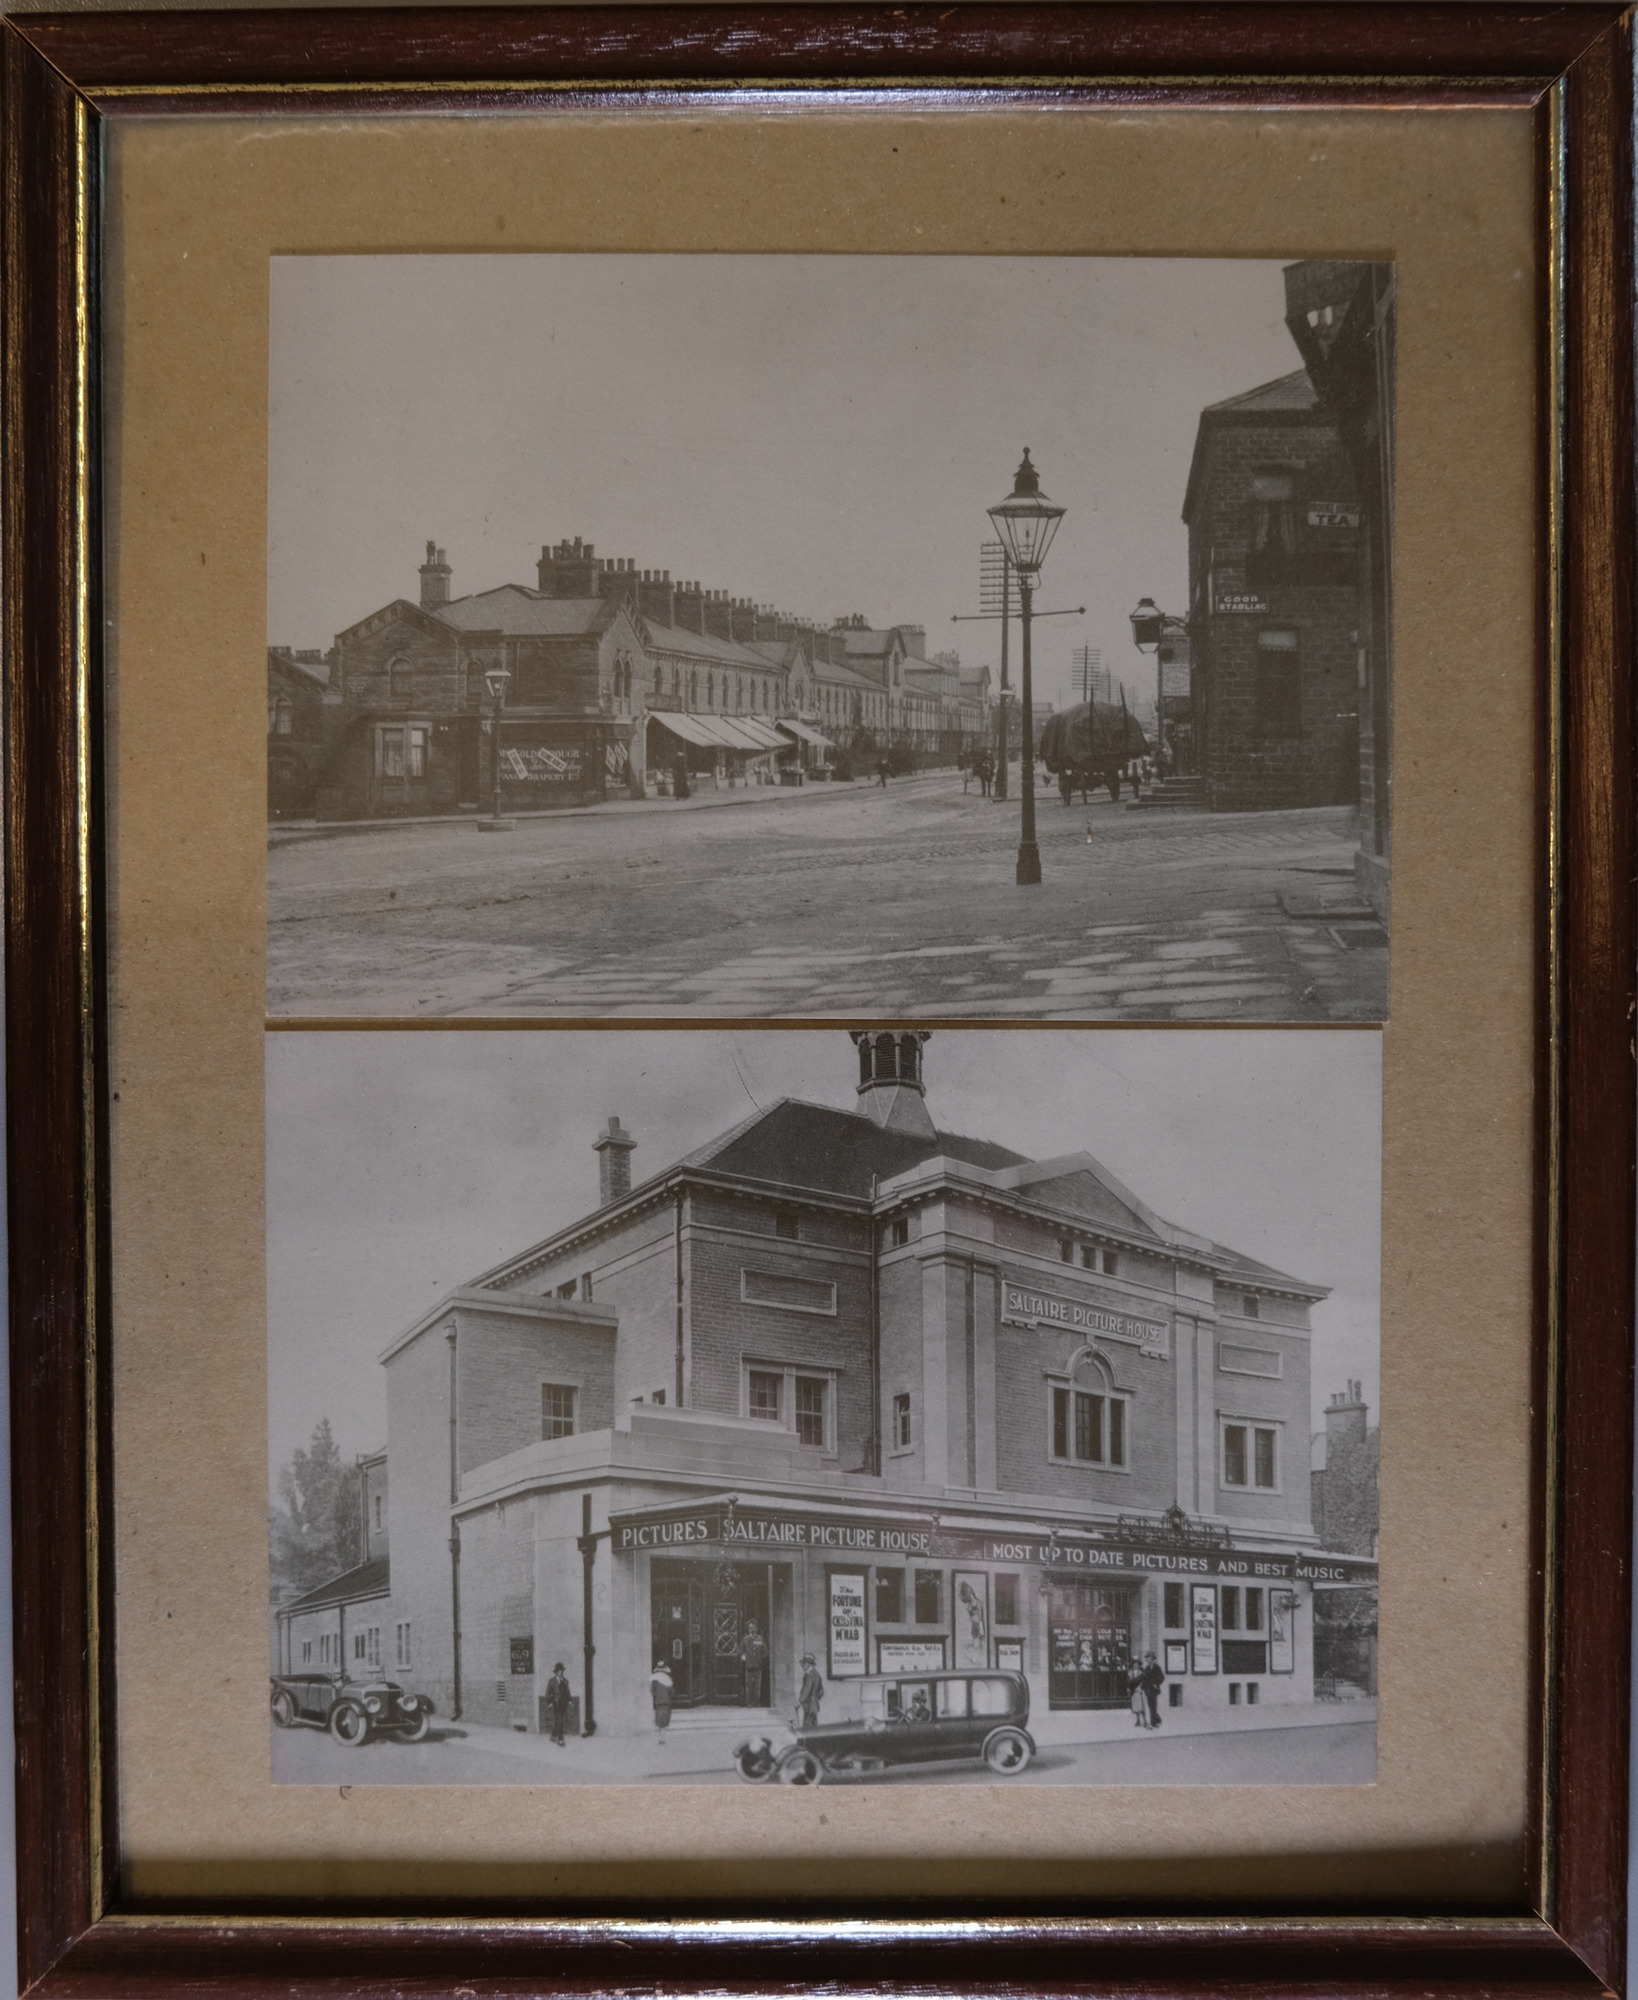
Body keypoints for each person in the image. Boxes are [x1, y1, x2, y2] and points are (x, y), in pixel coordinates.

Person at [543, 1660, 573, 1745]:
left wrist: (570, 1700)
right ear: (556, 1672)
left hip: (564, 1704)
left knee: (559, 1721)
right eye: (559, 1671)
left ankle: (553, 1735)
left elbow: (567, 1692)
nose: (561, 1672)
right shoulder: (552, 1681)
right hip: (556, 1704)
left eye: (562, 1671)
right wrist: (549, 1702)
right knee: (560, 1720)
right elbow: (548, 1692)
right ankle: (560, 1739)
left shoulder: (565, 1681)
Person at [740, 1620, 768, 1706]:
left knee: (757, 1685)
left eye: (754, 1627)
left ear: (756, 1628)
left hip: (758, 1666)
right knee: (749, 1684)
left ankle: (757, 1702)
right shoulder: (745, 1639)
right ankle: (749, 1703)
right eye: (750, 1627)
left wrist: (760, 1659)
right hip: (749, 1666)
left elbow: (766, 1652)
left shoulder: (759, 1639)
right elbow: (739, 1650)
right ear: (748, 1629)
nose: (752, 1629)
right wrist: (744, 1656)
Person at [796, 1653, 824, 1730]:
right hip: (813, 1706)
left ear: (809, 1664)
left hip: (809, 1707)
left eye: (804, 1663)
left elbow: (806, 1690)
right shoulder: (816, 1674)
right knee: (814, 1728)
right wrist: (815, 1698)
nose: (802, 1665)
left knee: (808, 1729)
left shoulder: (810, 1675)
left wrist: (799, 1702)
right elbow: (821, 1691)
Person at [1139, 1651, 1165, 1729]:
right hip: (1147, 1689)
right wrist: (1142, 1688)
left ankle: (1153, 1722)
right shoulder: (1146, 1667)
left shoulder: (1157, 1667)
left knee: (1153, 1706)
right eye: (1147, 1658)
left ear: (1153, 1659)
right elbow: (1144, 1678)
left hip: (1154, 1689)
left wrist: (1156, 1683)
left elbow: (1162, 1677)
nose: (1148, 1659)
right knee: (1151, 1706)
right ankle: (1156, 1720)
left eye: (1150, 1658)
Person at [650, 1658, 674, 1742]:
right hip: (666, 1702)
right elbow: (672, 1691)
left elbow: (652, 1691)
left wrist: (656, 1697)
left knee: (660, 1722)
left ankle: (661, 1737)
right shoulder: (668, 1680)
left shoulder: (655, 1680)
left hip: (659, 1702)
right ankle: (662, 1738)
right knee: (664, 1721)